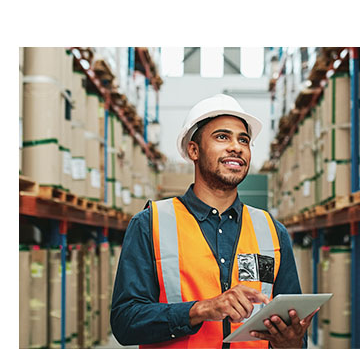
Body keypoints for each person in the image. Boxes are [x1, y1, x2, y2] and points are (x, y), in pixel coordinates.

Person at [111, 94, 316, 348]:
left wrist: (292, 341)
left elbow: (293, 334)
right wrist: (201, 309)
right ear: (193, 150)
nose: (237, 147)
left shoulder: (272, 231)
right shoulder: (150, 224)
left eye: (244, 140)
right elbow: (125, 322)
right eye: (222, 137)